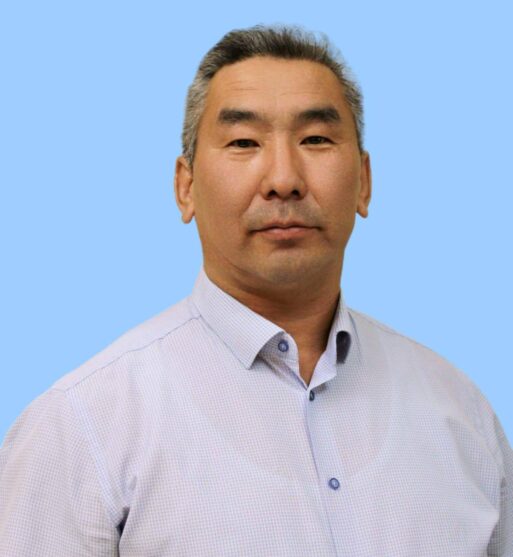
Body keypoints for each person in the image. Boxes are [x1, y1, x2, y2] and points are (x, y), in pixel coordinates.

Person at [0, 24, 511, 556]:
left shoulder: (461, 414)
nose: (284, 179)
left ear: (364, 181)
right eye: (244, 142)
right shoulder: (82, 425)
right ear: (185, 186)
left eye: (316, 139)